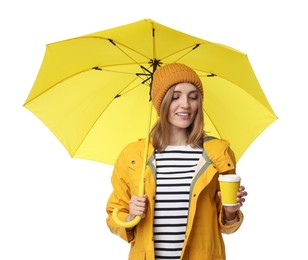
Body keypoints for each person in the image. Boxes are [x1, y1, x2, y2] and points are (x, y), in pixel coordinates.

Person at [106, 63, 248, 260]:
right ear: (159, 102)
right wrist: (130, 216)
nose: (186, 105)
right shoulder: (133, 156)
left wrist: (231, 212)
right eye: (175, 96)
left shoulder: (218, 153)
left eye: (193, 97)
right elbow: (114, 216)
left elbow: (227, 226)